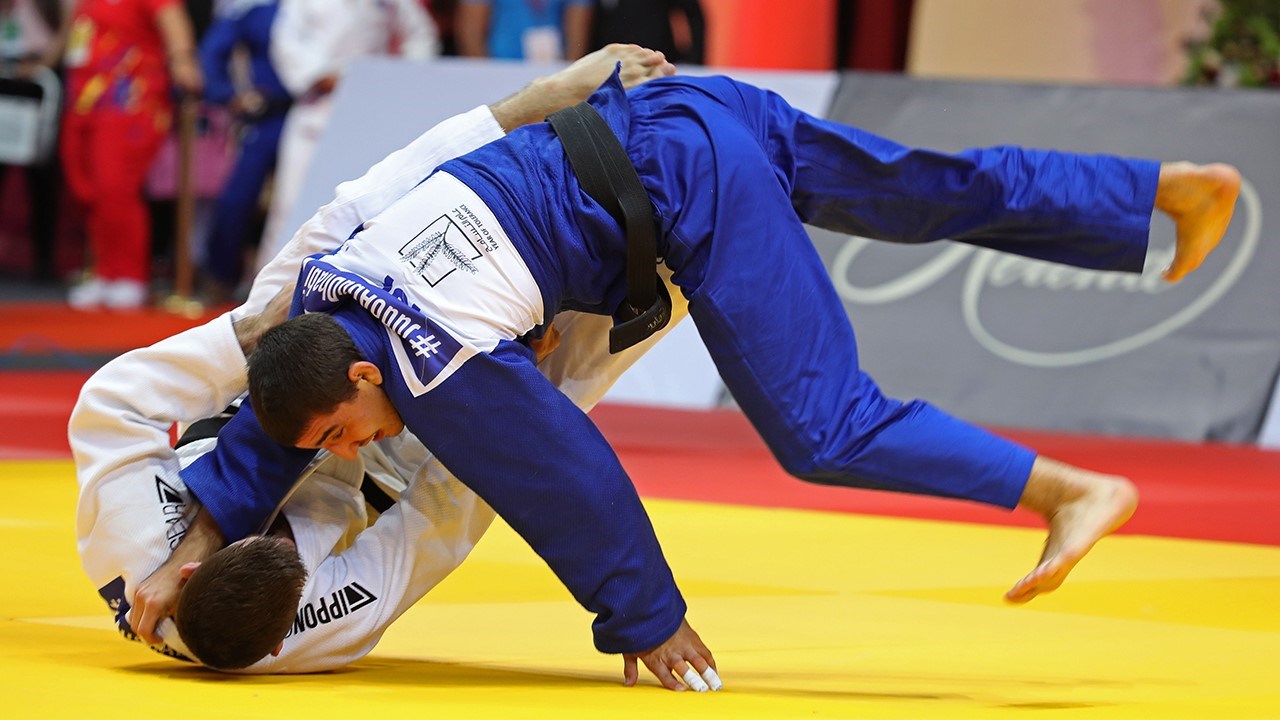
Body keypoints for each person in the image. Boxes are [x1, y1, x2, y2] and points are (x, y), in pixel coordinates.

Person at [159, 71, 1238, 690]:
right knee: (914, 192)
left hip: (688, 183)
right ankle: (1154, 191)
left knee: (826, 430)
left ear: (362, 371)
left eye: (344, 430)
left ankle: (1064, 491)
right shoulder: (326, 291)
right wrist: (186, 560)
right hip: (677, 107)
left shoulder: (423, 359)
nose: (352, 448)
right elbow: (276, 416)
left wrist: (646, 618)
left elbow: (561, 474)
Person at [70, 43, 680, 672]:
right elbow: (431, 526)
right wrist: (510, 392)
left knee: (334, 245)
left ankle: (528, 106)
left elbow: (113, 402)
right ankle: (684, 258)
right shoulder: (303, 628)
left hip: (287, 377)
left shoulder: (133, 537)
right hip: (396, 461)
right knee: (571, 377)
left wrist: (248, 335)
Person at [253, 0, 439, 274]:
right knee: (291, 205)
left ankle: (341, 285)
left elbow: (421, 35)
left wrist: (397, 75)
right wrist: (321, 74)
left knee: (359, 205)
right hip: (318, 108)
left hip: (371, 110)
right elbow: (287, 42)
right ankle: (271, 289)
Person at [50, 0, 203, 309]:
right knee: (87, 191)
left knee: (116, 187)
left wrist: (182, 60)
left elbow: (173, 21)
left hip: (129, 100)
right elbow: (71, 37)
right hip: (82, 100)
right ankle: (104, 272)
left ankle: (130, 275)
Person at [197, 0, 292, 298]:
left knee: (300, 201)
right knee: (236, 199)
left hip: (321, 107)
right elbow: (213, 52)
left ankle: (296, 284)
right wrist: (229, 94)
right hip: (268, 113)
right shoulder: (254, 6)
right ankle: (221, 274)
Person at [456, 0, 593, 62]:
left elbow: (578, 37)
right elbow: (470, 33)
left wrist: (567, 76)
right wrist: (486, 75)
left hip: (553, 67)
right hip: (500, 65)